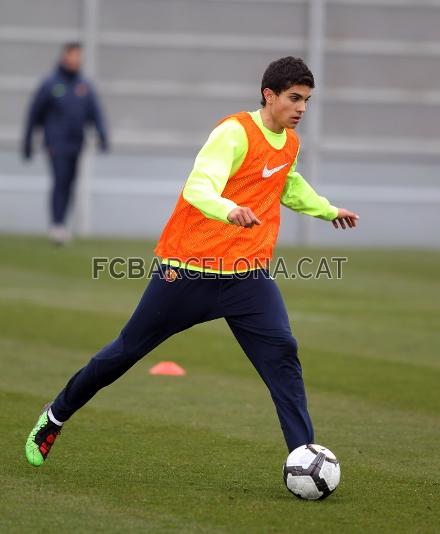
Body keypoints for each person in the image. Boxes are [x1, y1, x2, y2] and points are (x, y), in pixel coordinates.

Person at [25, 56, 358, 467]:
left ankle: (304, 456)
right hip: (185, 273)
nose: (302, 108)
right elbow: (200, 186)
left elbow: (289, 186)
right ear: (268, 96)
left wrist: (328, 210)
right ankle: (55, 415)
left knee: (283, 353)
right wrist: (229, 209)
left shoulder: (289, 143)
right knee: (122, 353)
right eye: (294, 98)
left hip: (245, 278)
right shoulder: (233, 133)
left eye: (307, 100)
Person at [22, 42, 109, 245]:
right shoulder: (50, 84)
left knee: (70, 183)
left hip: (76, 143)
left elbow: (95, 113)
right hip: (55, 143)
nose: (77, 59)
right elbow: (34, 114)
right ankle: (57, 224)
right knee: (60, 180)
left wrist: (103, 135)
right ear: (65, 57)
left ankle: (61, 223)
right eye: (73, 55)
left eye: (79, 56)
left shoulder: (83, 86)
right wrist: (27, 141)